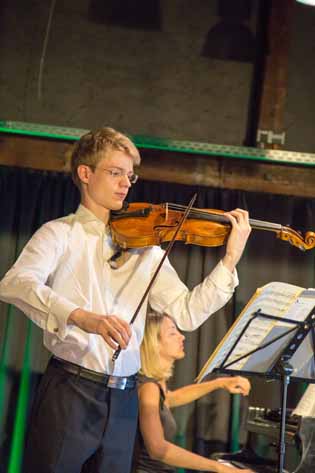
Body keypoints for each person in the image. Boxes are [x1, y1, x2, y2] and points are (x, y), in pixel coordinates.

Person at [0, 126, 251, 473]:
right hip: (70, 389)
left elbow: (187, 313)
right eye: (115, 173)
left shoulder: (146, 248)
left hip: (124, 399)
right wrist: (81, 317)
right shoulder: (60, 233)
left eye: (130, 176)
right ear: (85, 174)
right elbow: (15, 283)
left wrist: (230, 260)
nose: (125, 184)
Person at [135, 312, 252, 473]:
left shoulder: (155, 383)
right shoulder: (148, 388)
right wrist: (222, 469)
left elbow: (171, 398)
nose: (181, 337)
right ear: (153, 344)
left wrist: (220, 383)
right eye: (172, 333)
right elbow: (157, 449)